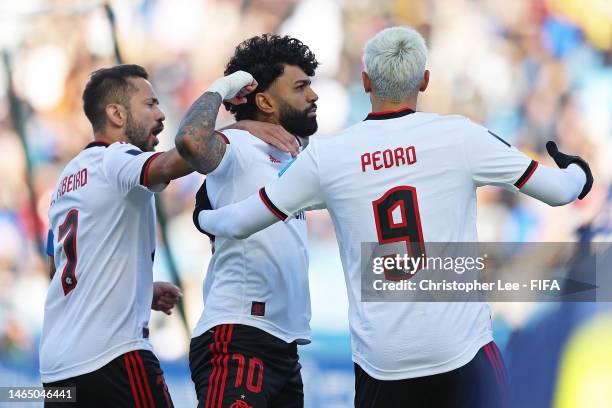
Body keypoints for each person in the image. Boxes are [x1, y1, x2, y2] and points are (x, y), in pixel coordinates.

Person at [195, 27, 594, 408]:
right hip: (461, 349)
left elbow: (237, 223)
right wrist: (577, 169)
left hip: (383, 364)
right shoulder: (459, 135)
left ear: (365, 82)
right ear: (424, 80)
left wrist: (205, 216)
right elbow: (561, 192)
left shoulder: (329, 157)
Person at [40, 64, 294, 408]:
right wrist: (235, 118)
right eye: (150, 104)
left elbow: (62, 270)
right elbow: (188, 151)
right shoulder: (116, 158)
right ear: (116, 113)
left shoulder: (66, 178)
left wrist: (138, 290)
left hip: (56, 370)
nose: (161, 115)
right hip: (113, 356)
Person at [175, 34, 319, 408]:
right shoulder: (237, 146)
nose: (313, 95)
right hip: (238, 334)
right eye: (301, 86)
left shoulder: (294, 153)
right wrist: (226, 87)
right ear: (266, 100)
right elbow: (190, 141)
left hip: (283, 345)